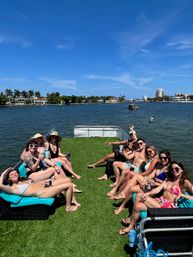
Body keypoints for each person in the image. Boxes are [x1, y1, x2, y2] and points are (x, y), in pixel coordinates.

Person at [118, 160, 193, 235]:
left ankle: (130, 220)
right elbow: (158, 190)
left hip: (167, 208)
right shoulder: (168, 179)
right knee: (138, 206)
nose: (174, 171)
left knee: (139, 195)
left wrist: (182, 195)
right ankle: (131, 226)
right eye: (172, 169)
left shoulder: (185, 182)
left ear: (182, 170)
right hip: (159, 202)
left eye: (176, 169)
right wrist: (148, 193)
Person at [114, 149, 171, 215]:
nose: (163, 159)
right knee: (132, 188)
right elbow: (151, 175)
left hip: (156, 190)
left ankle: (122, 195)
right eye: (161, 158)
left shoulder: (170, 170)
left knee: (134, 178)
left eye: (165, 158)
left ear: (168, 158)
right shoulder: (159, 165)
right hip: (150, 185)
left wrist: (156, 183)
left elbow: (165, 186)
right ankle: (122, 206)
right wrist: (146, 180)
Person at [0, 168, 80, 212]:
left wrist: (44, 181)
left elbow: (33, 185)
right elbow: (0, 185)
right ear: (8, 178)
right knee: (69, 186)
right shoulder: (13, 188)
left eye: (15, 173)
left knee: (68, 180)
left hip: (45, 185)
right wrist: (4, 173)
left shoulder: (21, 181)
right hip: (43, 192)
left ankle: (72, 199)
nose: (14, 174)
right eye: (11, 174)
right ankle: (68, 207)